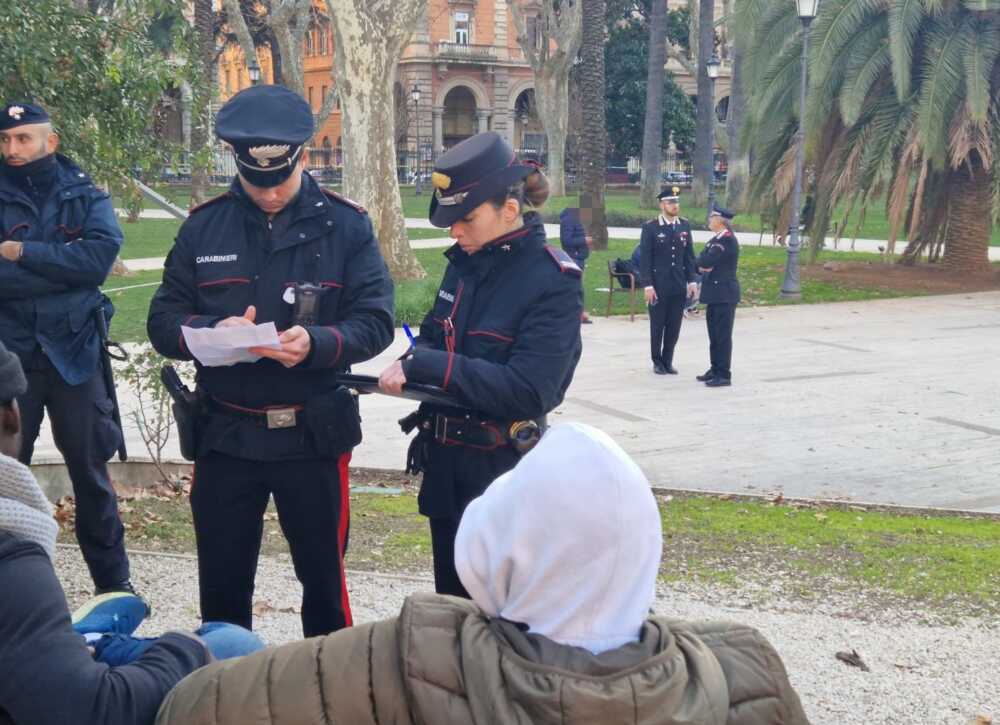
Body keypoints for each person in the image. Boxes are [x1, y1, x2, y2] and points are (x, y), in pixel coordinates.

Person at [154, 422, 811, 725]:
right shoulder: (745, 671)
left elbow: (190, 706)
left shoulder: (397, 656)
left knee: (225, 641)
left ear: (492, 552)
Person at [147, 85, 395, 637]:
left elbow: (376, 321)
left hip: (312, 435)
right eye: (257, 181)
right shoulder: (204, 227)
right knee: (222, 588)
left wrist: (318, 343)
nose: (271, 193)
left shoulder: (346, 226)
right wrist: (213, 330)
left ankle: (326, 682)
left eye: (280, 178)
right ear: (236, 162)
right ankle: (227, 681)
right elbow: (163, 321)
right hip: (226, 434)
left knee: (325, 587)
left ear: (302, 157)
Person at [0, 339, 261, 725]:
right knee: (233, 641)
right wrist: (184, 647)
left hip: (29, 643)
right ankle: (81, 635)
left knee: (109, 598)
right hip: (50, 672)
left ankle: (84, 625)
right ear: (12, 416)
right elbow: (96, 710)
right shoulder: (12, 559)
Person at [378, 132, 582, 598]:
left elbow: (531, 390)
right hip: (447, 468)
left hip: (504, 475)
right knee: (450, 615)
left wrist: (432, 366)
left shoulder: (552, 279)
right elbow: (435, 335)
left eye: (466, 218)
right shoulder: (464, 264)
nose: (455, 231)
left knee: (505, 621)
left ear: (508, 210)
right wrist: (411, 359)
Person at [0, 102, 136, 597]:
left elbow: (97, 262)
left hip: (74, 353)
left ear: (50, 142)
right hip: (10, 356)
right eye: (5, 139)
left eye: (23, 138)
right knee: (5, 476)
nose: (12, 149)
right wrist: (62, 269)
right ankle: (14, 589)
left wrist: (24, 253)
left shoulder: (84, 194)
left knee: (91, 473)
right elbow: (75, 268)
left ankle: (114, 587)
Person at [639, 186, 698, 375]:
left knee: (674, 325)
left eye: (676, 202)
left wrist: (692, 281)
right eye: (670, 202)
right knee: (657, 325)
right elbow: (645, 259)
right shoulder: (651, 227)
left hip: (678, 284)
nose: (674, 205)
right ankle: (657, 361)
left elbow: (689, 256)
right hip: (658, 284)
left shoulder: (684, 225)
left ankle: (668, 360)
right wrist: (648, 285)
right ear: (662, 205)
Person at [696, 206, 741, 387]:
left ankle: (723, 374)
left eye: (712, 217)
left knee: (722, 336)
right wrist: (702, 264)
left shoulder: (727, 241)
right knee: (714, 335)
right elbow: (701, 260)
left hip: (724, 295)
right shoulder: (715, 239)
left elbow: (705, 261)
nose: (709, 220)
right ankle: (715, 369)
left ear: (720, 221)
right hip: (715, 294)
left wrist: (703, 264)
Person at [559, 205, 592, 323]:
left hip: (580, 258)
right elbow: (566, 240)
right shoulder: (569, 219)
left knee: (579, 288)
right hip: (573, 258)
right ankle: (574, 315)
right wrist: (584, 240)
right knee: (574, 289)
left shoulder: (579, 219)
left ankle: (579, 314)